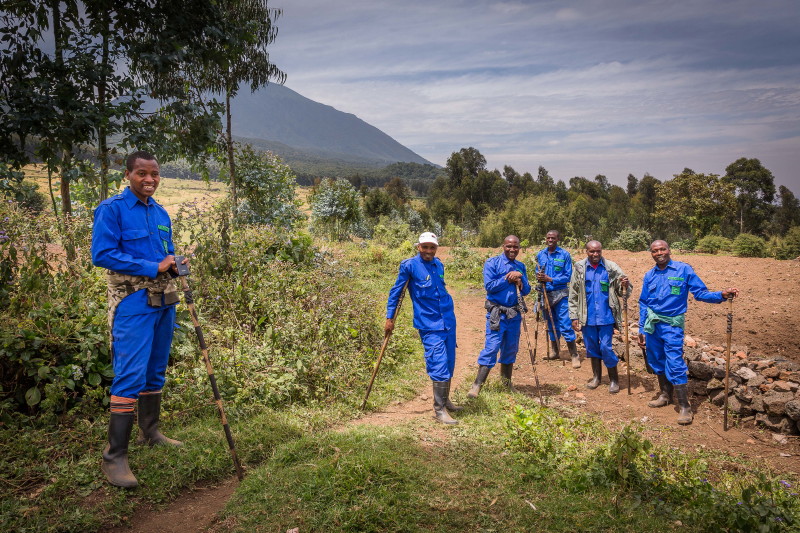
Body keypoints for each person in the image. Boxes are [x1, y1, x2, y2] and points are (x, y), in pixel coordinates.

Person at [92, 151, 188, 488]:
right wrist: (153, 267)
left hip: (165, 300)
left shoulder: (160, 213)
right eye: (142, 173)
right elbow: (101, 254)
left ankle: (151, 432)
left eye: (155, 174)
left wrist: (174, 262)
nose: (149, 179)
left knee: (155, 368)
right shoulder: (112, 209)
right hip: (132, 301)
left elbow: (166, 253)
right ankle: (114, 456)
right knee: (130, 373)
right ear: (128, 174)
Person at [637, 240, 738, 425]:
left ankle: (685, 406)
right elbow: (644, 302)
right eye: (655, 250)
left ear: (669, 250)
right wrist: (642, 327)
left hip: (672, 326)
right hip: (652, 326)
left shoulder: (683, 270)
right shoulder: (649, 275)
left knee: (675, 362)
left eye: (662, 249)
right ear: (651, 253)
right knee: (657, 360)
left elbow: (700, 293)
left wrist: (720, 295)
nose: (659, 253)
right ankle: (665, 395)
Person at [385, 232, 462, 424]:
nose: (429, 250)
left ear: (436, 248)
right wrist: (389, 318)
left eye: (432, 247)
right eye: (425, 247)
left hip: (447, 321)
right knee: (438, 362)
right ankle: (439, 410)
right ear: (418, 247)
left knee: (449, 361)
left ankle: (445, 400)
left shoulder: (439, 265)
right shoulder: (409, 265)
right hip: (428, 323)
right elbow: (396, 292)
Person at [468, 235, 531, 398]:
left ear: (519, 248)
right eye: (509, 246)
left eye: (515, 247)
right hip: (497, 314)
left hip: (514, 315)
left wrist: (520, 279)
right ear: (503, 246)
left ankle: (506, 384)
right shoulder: (492, 263)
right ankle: (476, 386)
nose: (512, 249)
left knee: (511, 348)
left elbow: (526, 290)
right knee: (492, 347)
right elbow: (489, 287)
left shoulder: (520, 266)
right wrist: (507, 278)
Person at [568, 241, 631, 394]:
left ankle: (614, 379)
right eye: (592, 251)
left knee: (605, 347)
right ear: (586, 251)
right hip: (587, 316)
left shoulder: (611, 268)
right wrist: (573, 315)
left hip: (606, 316)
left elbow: (624, 292)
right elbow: (573, 293)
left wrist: (624, 285)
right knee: (591, 348)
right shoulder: (579, 268)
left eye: (598, 251)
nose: (595, 254)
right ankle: (596, 377)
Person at [535, 230, 579, 367]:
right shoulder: (540, 254)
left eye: (553, 238)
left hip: (560, 294)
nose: (550, 240)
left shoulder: (564, 255)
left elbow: (568, 276)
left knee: (565, 324)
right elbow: (537, 271)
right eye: (548, 238)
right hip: (545, 293)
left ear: (557, 239)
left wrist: (550, 279)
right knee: (549, 322)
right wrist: (540, 277)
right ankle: (555, 351)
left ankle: (574, 354)